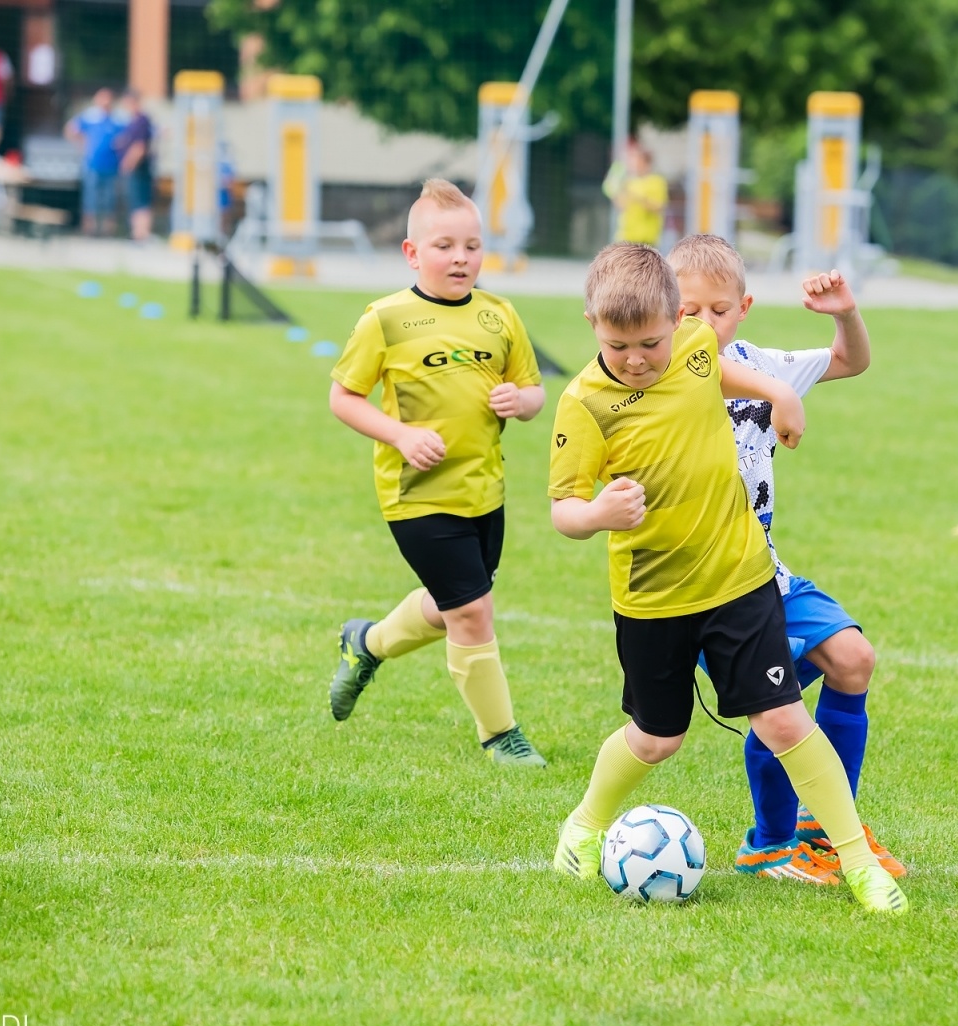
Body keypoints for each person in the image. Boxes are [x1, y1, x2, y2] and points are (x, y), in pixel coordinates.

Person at [547, 242, 907, 915]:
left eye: (651, 342)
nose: (637, 359)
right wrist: (597, 512)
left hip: (740, 579)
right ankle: (587, 823)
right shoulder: (584, 403)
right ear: (592, 321)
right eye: (619, 345)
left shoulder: (691, 343)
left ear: (672, 321)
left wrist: (778, 393)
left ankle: (856, 863)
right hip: (653, 596)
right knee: (659, 737)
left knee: (782, 719)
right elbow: (562, 510)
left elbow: (720, 369)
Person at [669, 233, 905, 885]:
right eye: (687, 311)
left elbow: (849, 362)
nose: (703, 324)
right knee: (775, 707)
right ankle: (773, 842)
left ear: (742, 307)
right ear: (665, 310)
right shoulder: (655, 369)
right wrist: (779, 392)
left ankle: (817, 833)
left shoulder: (759, 361)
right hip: (699, 585)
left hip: (764, 570)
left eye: (718, 310)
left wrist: (845, 315)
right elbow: (698, 370)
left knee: (852, 659)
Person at [326, 179, 550, 766]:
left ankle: (366, 643)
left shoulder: (500, 316)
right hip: (417, 494)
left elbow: (534, 392)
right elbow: (343, 397)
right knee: (473, 611)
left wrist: (519, 403)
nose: (461, 258)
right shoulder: (387, 319)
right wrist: (400, 435)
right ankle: (501, 735)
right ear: (412, 253)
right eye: (445, 246)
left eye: (472, 246)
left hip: (485, 490)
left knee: (455, 603)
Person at [64, 89, 121, 237]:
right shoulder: (90, 117)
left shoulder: (117, 119)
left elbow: (126, 136)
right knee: (90, 198)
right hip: (92, 164)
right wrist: (82, 144)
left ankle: (108, 231)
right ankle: (89, 229)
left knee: (109, 200)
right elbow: (70, 129)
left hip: (111, 166)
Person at [603, 141, 668, 247]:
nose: (631, 163)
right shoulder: (629, 182)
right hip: (626, 236)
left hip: (647, 238)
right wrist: (614, 191)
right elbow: (621, 206)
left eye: (635, 160)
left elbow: (659, 206)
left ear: (646, 162)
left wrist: (637, 197)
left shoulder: (657, 181)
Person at [111, 89, 155, 242]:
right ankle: (137, 233)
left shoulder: (141, 120)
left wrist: (128, 163)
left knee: (141, 201)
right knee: (136, 201)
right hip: (136, 168)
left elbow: (139, 147)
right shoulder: (133, 121)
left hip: (139, 168)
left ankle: (141, 234)